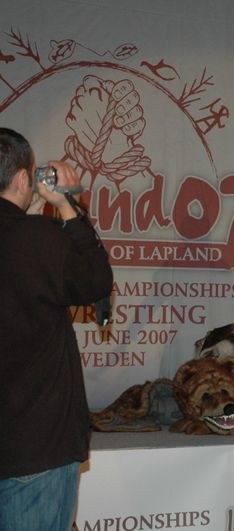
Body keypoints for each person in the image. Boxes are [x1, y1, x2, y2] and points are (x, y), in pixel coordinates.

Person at [0, 128, 113, 530]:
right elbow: (96, 282)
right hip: (34, 446)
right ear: (22, 179)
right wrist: (66, 205)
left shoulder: (35, 238)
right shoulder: (41, 239)